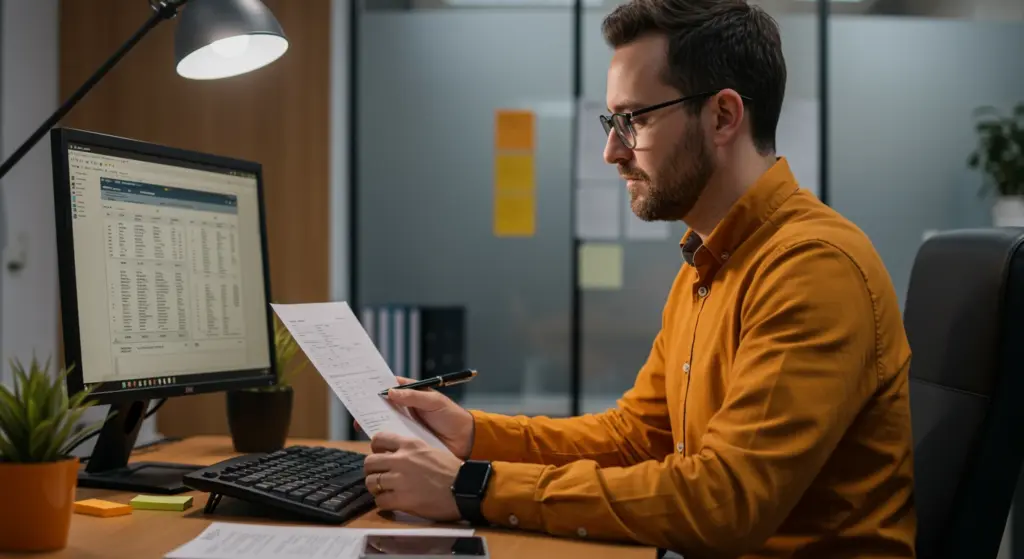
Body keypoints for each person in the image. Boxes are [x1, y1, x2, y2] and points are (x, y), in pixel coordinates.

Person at [360, 0, 917, 556]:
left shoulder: (811, 268)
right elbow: (633, 439)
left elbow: (721, 502)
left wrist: (472, 486)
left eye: (636, 119)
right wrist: (475, 436)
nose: (611, 151)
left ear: (723, 116)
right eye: (613, 122)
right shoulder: (709, 261)